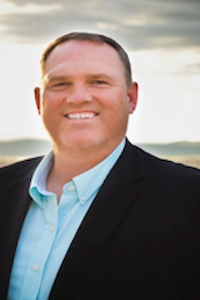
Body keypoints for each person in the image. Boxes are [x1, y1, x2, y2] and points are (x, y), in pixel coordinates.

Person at [0, 32, 200, 300]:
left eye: (98, 81)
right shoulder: (3, 187)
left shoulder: (190, 199)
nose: (79, 97)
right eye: (60, 83)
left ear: (131, 97)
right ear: (39, 101)